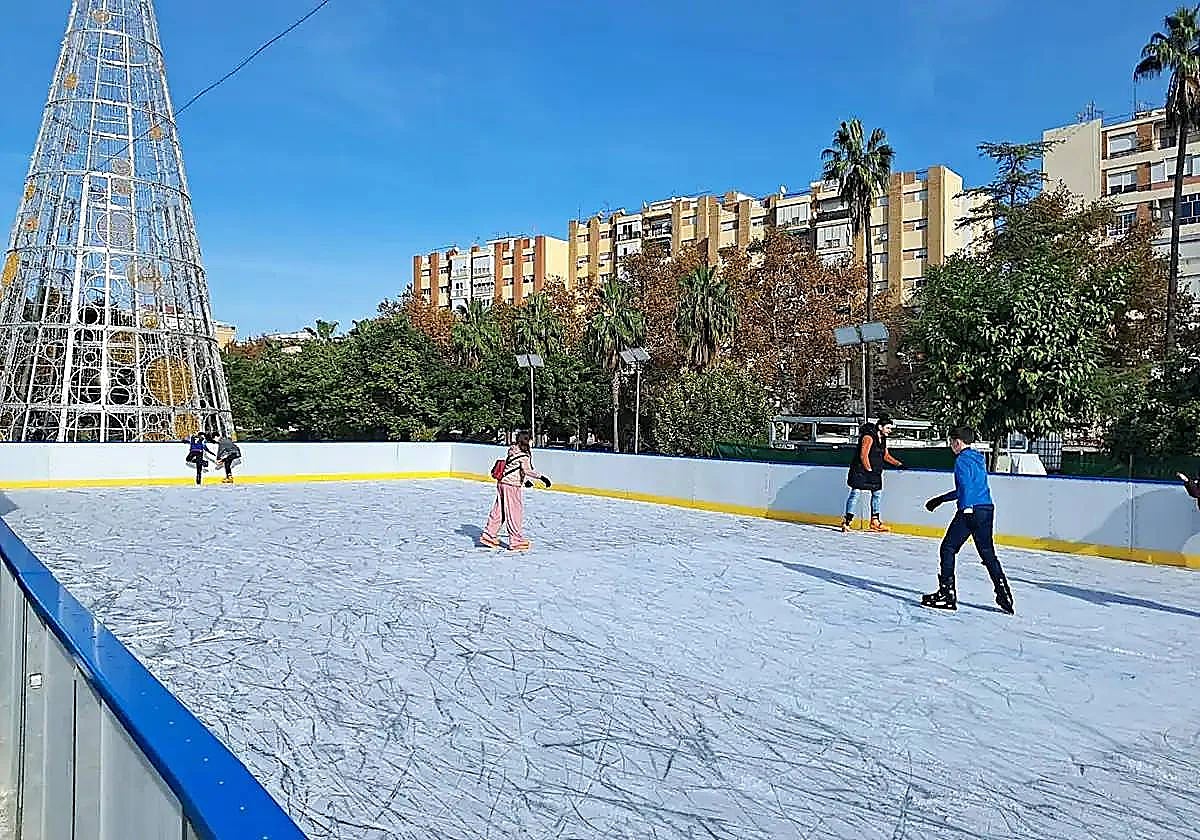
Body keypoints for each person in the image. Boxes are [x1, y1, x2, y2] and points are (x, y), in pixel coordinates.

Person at [922, 426, 1014, 614]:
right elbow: (969, 487)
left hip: (970, 510)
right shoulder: (978, 458)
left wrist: (966, 509)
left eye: (951, 442)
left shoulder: (961, 460)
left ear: (957, 442)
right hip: (986, 508)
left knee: (948, 548)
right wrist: (941, 499)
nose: (950, 446)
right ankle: (1004, 594)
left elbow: (964, 488)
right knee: (987, 553)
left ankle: (947, 594)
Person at [480, 431, 552, 551]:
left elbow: (514, 468)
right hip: (512, 485)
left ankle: (489, 534)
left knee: (500, 510)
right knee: (514, 512)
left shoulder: (513, 449)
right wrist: (542, 478)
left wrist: (524, 481)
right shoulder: (524, 455)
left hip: (502, 482)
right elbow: (527, 470)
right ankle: (515, 540)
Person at [842, 414, 904, 533]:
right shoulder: (868, 437)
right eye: (888, 428)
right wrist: (868, 469)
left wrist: (898, 464)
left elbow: (885, 455)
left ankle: (875, 521)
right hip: (861, 471)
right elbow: (863, 455)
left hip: (874, 472)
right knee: (855, 494)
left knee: (877, 494)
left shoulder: (883, 439)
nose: (890, 431)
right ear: (880, 427)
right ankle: (847, 521)